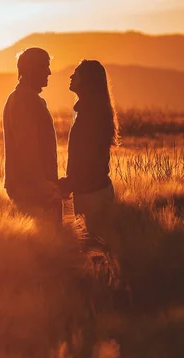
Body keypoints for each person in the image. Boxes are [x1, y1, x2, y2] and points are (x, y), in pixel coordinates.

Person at [58, 60, 120, 240]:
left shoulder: (91, 114)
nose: (71, 76)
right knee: (98, 247)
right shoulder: (90, 110)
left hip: (91, 194)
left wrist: (68, 183)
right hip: (93, 191)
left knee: (95, 248)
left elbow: (88, 160)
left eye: (76, 73)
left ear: (87, 80)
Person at [3, 47, 61, 224]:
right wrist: (41, 184)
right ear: (31, 69)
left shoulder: (24, 98)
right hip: (32, 189)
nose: (49, 72)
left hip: (32, 187)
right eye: (45, 66)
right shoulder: (25, 101)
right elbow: (27, 147)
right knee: (47, 244)